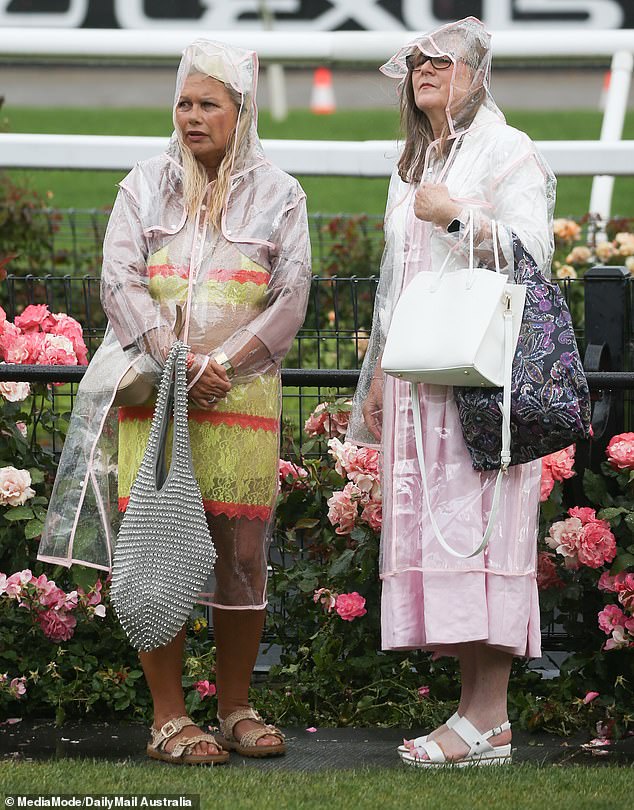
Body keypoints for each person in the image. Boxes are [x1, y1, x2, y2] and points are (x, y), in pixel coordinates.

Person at [38, 40, 311, 765]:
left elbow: (291, 298)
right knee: (158, 547)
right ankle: (167, 719)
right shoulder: (145, 183)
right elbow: (118, 281)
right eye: (184, 103)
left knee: (241, 552)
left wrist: (222, 363)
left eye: (208, 104)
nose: (192, 116)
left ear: (242, 112)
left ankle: (234, 709)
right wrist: (178, 360)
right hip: (157, 397)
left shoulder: (282, 193)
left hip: (243, 397)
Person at [347, 17, 555, 767]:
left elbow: (537, 249)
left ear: (477, 74)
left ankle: (490, 716)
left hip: (480, 382)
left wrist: (462, 215)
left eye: (441, 59)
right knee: (447, 538)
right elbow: (393, 284)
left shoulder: (507, 150)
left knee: (485, 533)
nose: (424, 68)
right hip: (421, 384)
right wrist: (378, 377)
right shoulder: (418, 161)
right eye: (416, 61)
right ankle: (475, 716)